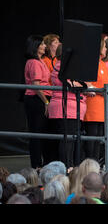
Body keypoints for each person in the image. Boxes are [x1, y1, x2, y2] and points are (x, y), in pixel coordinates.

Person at [48, 45, 86, 168]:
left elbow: (81, 83)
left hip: (72, 108)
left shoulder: (66, 67)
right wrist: (83, 85)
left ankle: (69, 167)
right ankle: (67, 167)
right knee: (67, 141)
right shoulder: (60, 66)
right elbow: (72, 84)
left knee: (71, 141)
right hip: (65, 108)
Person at [24, 35, 58, 169]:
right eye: (42, 44)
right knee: (37, 132)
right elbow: (36, 85)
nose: (45, 46)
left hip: (44, 98)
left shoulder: (41, 61)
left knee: (44, 131)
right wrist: (46, 102)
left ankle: (45, 163)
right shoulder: (33, 62)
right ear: (36, 46)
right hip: (36, 99)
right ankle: (36, 164)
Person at [83, 38, 108, 163]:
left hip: (102, 105)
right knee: (92, 137)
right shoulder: (90, 63)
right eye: (104, 46)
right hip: (93, 105)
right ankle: (90, 163)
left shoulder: (103, 64)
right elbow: (87, 83)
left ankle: (96, 164)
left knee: (99, 138)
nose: (106, 49)